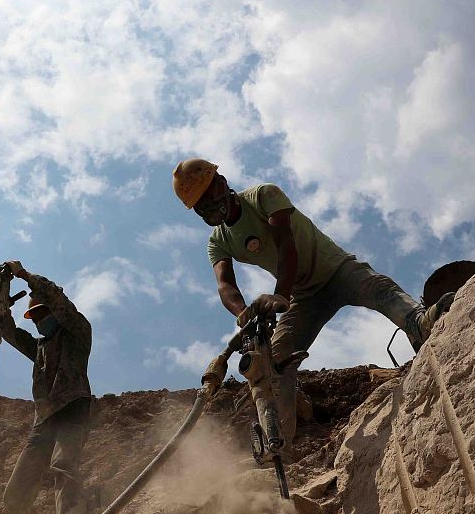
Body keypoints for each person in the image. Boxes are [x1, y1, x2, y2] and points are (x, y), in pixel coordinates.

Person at [171, 158, 453, 434]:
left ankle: (420, 322)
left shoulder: (262, 195)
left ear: (223, 183)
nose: (210, 205)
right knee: (271, 363)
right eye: (201, 204)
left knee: (378, 289)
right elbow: (225, 284)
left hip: (336, 268)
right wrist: (243, 314)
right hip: (304, 296)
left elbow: (285, 241)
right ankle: (280, 439)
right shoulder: (218, 241)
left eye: (211, 194)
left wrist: (280, 294)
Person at [0, 260, 93, 514]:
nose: (38, 321)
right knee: (16, 490)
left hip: (74, 407)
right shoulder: (39, 347)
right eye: (33, 316)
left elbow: (61, 302)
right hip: (45, 419)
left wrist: (25, 276)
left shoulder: (76, 332)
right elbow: (10, 334)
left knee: (64, 465)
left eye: (42, 313)